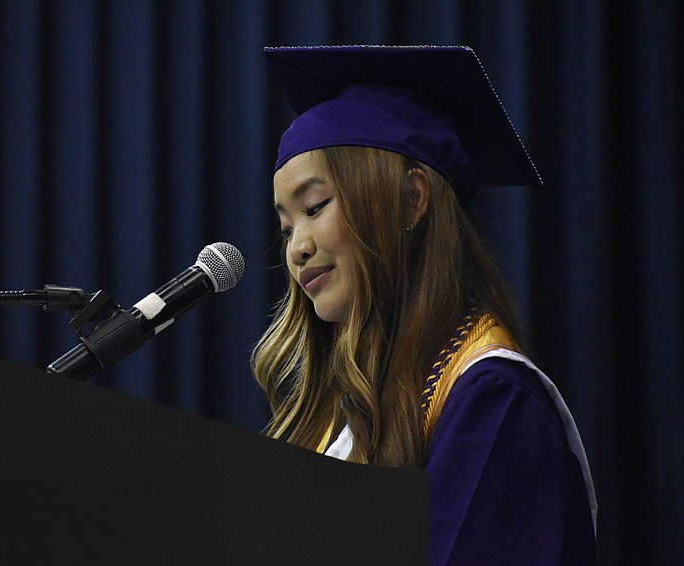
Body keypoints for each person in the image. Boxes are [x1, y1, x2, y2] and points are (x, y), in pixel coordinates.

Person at [253, 45, 598, 564]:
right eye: (285, 227)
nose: (296, 247)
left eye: (315, 206)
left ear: (412, 200)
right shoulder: (348, 412)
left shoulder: (494, 401)